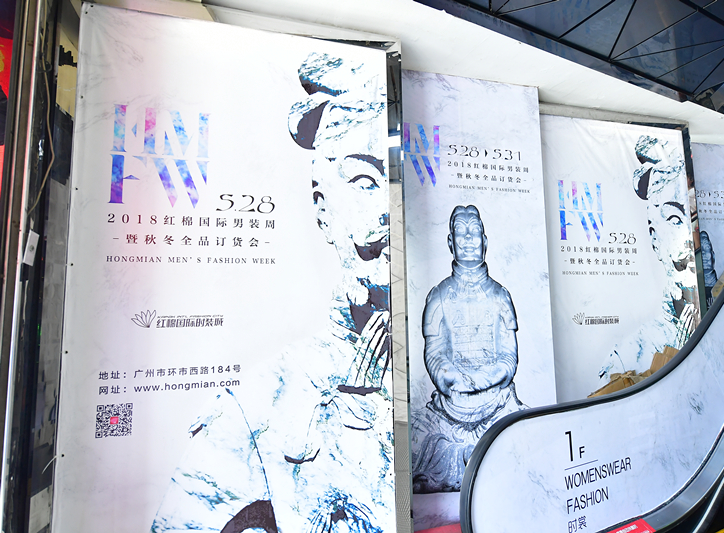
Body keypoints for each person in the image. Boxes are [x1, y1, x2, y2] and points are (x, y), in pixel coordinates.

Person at [151, 52, 394, 533]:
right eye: (366, 182)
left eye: (395, 182)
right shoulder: (262, 403)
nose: (389, 209)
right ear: (323, 210)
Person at [411, 205, 525, 493]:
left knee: (528, 431)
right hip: (451, 406)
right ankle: (467, 457)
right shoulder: (438, 296)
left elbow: (509, 356)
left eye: (475, 232)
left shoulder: (500, 295)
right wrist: (452, 377)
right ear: (451, 242)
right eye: (461, 233)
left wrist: (484, 379)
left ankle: (469, 457)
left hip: (496, 403)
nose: (469, 239)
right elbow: (434, 353)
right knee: (412, 439)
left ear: (485, 241)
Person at [598, 135, 700, 382]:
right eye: (674, 220)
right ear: (654, 238)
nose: (688, 236)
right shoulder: (627, 354)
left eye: (691, 220)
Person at [700, 230, 718, 308]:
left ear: (713, 256)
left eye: (706, 249)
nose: (703, 254)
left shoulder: (722, 287)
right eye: (701, 251)